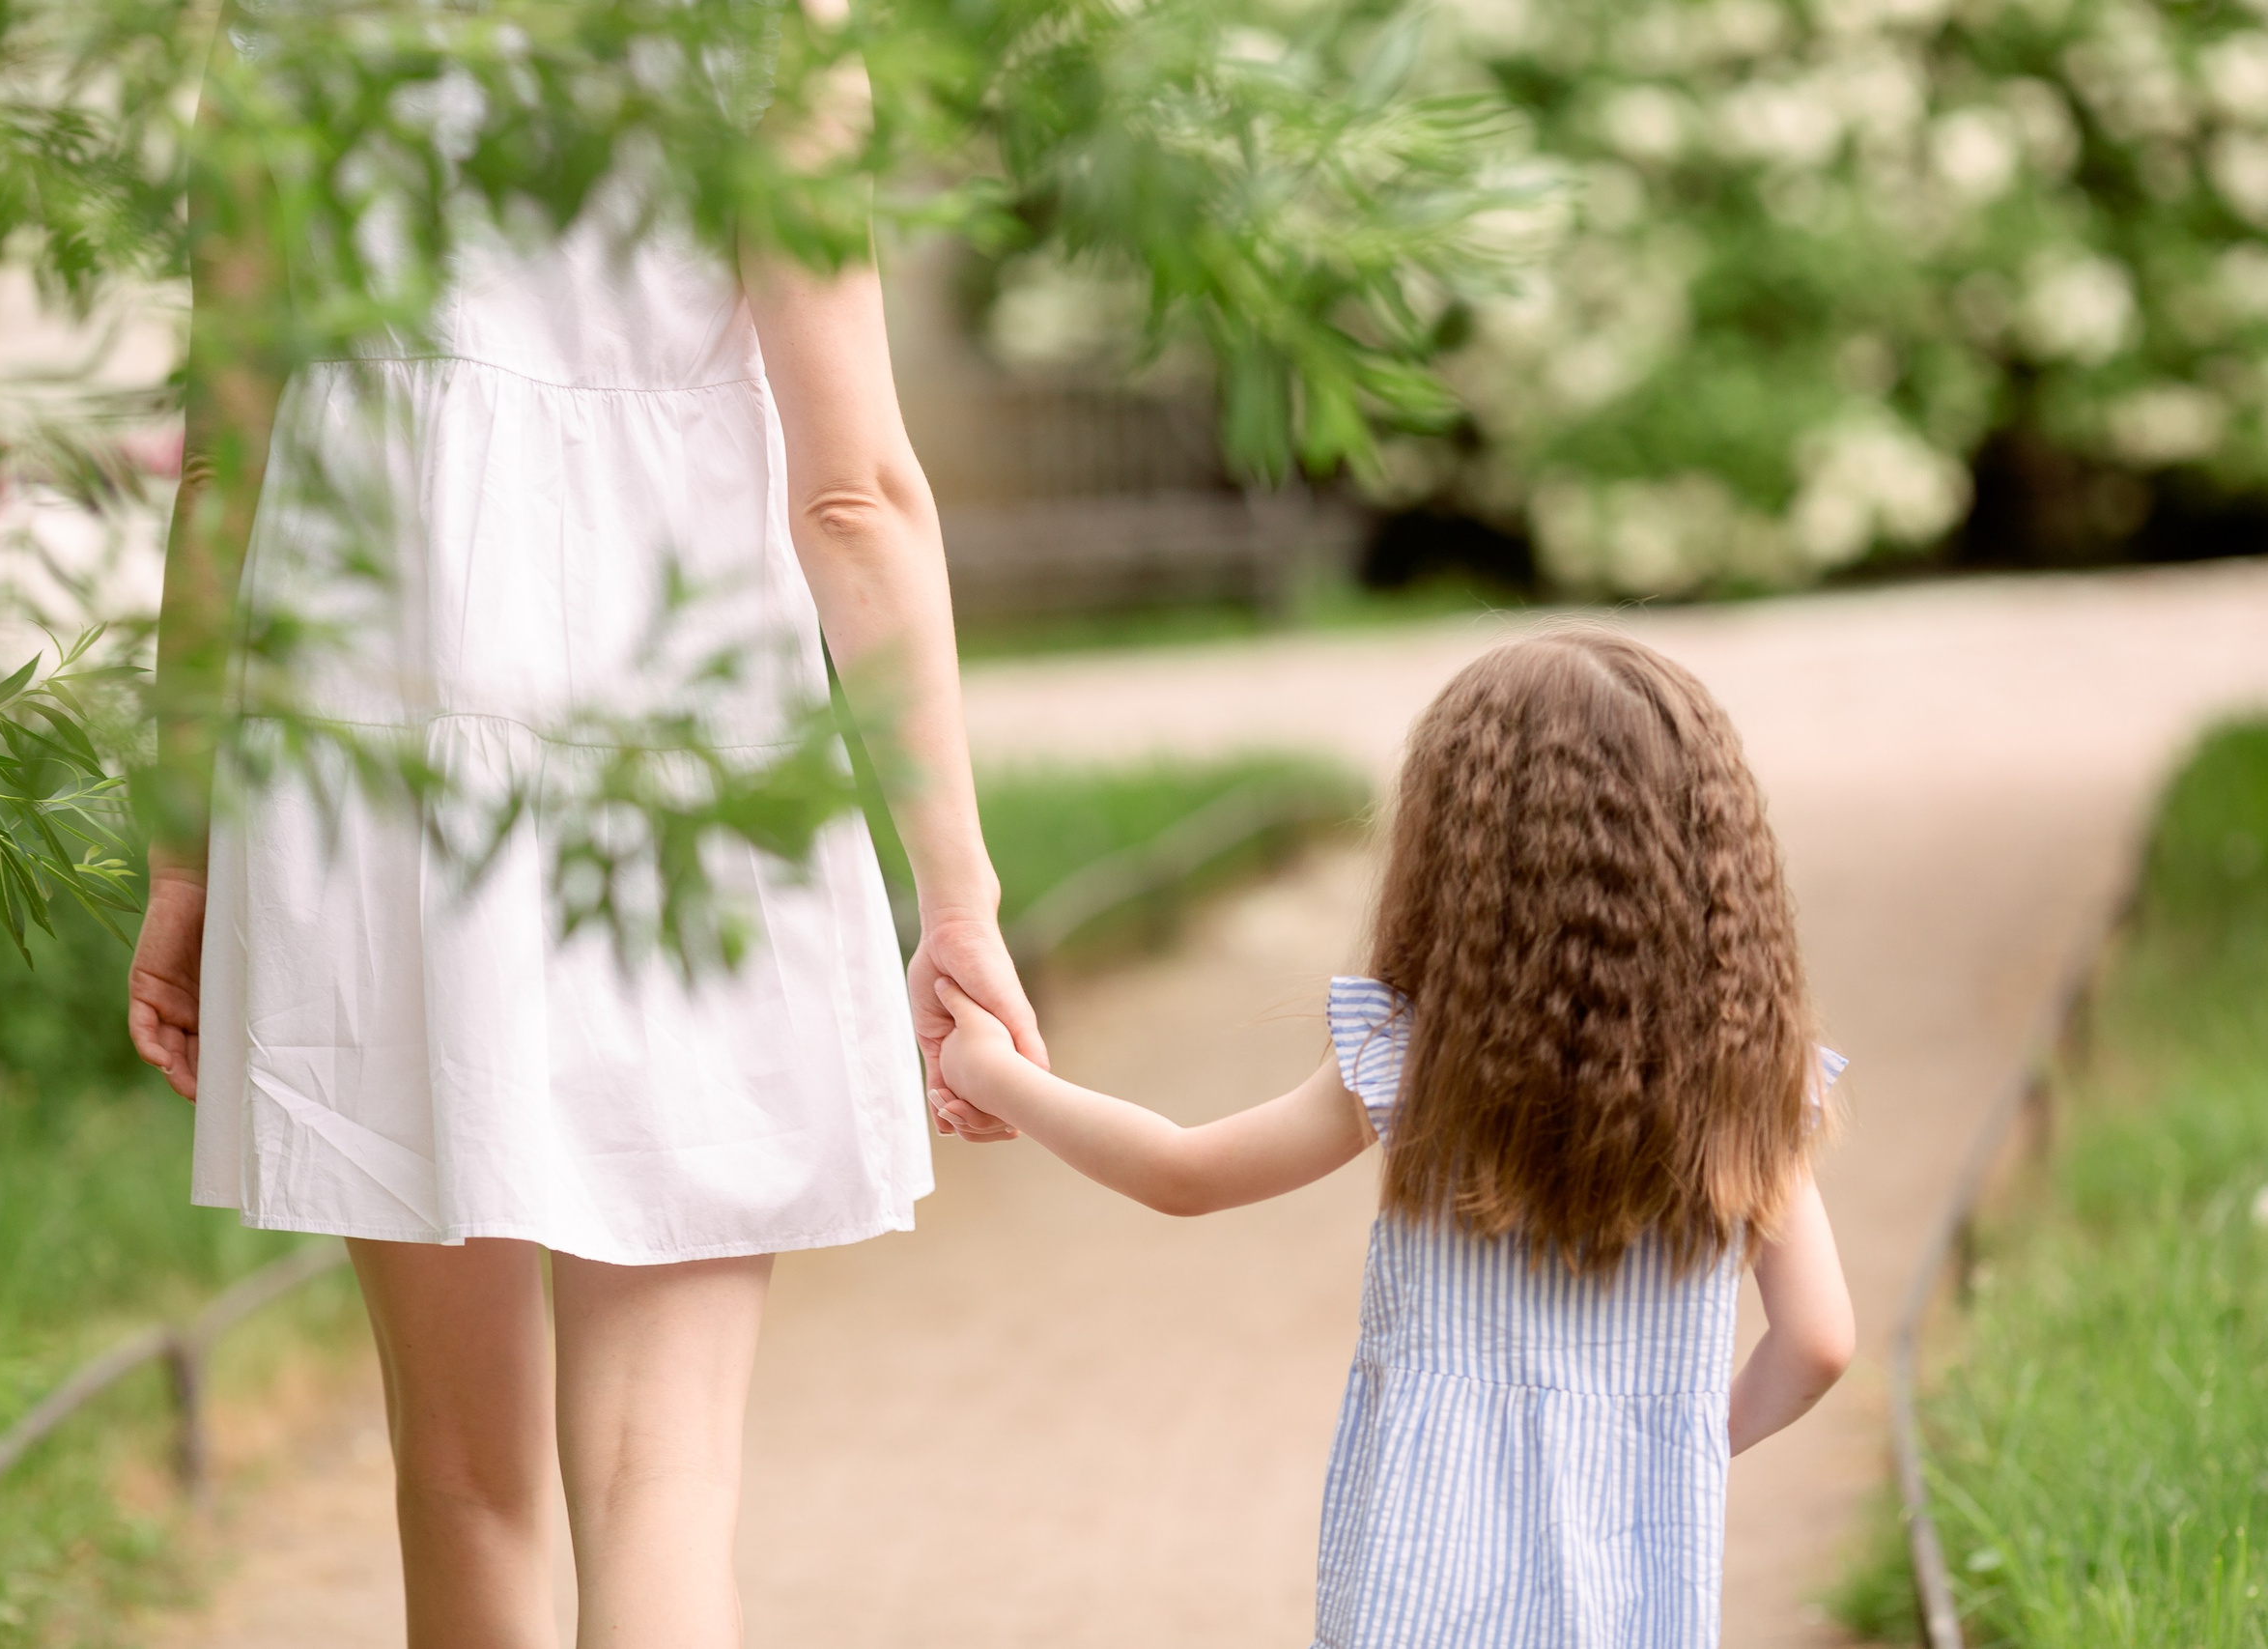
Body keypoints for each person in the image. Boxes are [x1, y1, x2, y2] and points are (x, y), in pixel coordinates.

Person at [124, 7, 1039, 1644]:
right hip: (681, 762)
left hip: (364, 758)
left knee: (462, 1475)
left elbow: (225, 464)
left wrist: (187, 852)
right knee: (659, 1472)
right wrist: (955, 894)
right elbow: (855, 495)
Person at [927, 627, 1856, 1648]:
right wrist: (1682, 1446)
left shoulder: (1421, 1061)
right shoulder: (1752, 1082)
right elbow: (1817, 1341)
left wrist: (995, 1076)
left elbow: (1181, 1173)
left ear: (1460, 857)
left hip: (1419, 1586)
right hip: (1636, 1592)